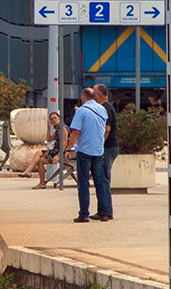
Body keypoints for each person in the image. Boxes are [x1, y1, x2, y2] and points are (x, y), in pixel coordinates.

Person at [64, 87, 107, 222]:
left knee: (83, 183)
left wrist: (68, 148)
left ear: (83, 97)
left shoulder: (82, 111)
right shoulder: (102, 109)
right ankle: (104, 213)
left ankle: (84, 214)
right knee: (99, 182)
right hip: (98, 151)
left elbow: (75, 132)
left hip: (84, 151)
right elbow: (104, 129)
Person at [94, 83, 118, 222]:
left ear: (98, 95)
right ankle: (104, 209)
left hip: (108, 147)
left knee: (103, 179)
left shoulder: (105, 108)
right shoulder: (107, 107)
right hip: (109, 147)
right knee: (103, 178)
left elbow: (107, 129)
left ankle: (106, 211)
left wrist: (100, 144)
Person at [24, 111, 63, 185]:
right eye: (52, 119)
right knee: (40, 160)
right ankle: (42, 182)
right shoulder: (57, 130)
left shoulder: (63, 130)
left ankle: (28, 171)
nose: (54, 120)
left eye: (55, 118)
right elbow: (49, 139)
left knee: (38, 152)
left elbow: (64, 145)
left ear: (59, 118)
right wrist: (48, 128)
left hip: (59, 153)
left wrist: (58, 156)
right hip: (55, 152)